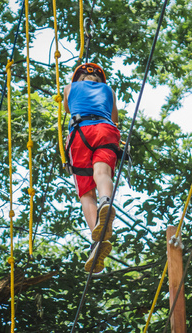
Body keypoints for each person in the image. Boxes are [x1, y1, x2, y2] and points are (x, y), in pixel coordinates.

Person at [63, 63, 120, 273]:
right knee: (102, 173)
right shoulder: (109, 90)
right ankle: (106, 202)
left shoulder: (70, 87)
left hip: (80, 132)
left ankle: (96, 239)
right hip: (106, 129)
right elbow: (115, 118)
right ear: (100, 80)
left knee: (86, 192)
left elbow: (67, 108)